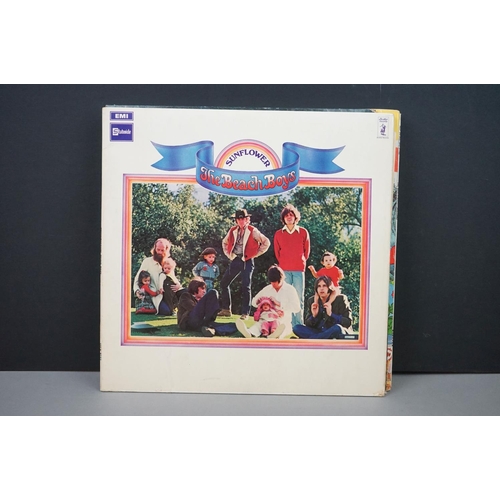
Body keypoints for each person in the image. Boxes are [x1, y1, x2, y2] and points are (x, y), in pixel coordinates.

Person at [219, 209, 270, 320]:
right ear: (236, 220)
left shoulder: (253, 230)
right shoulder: (232, 230)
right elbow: (224, 242)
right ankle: (226, 309)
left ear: (247, 219)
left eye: (243, 219)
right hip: (237, 259)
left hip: (248, 260)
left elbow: (266, 242)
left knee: (246, 286)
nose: (241, 221)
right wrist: (229, 255)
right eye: (239, 219)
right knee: (224, 283)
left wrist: (255, 254)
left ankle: (245, 313)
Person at [236, 265, 299, 339]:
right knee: (259, 325)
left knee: (284, 327)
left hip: (282, 321)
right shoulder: (267, 289)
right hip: (266, 320)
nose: (273, 284)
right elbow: (253, 302)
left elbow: (297, 308)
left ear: (281, 279)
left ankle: (276, 335)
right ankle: (249, 333)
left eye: (275, 282)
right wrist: (258, 302)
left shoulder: (290, 289)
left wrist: (279, 304)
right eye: (272, 282)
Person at [273, 204, 310, 327]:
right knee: (285, 297)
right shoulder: (278, 234)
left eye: (291, 215)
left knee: (299, 297)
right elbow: (277, 252)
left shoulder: (303, 232)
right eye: (286, 215)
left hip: (299, 269)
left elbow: (306, 251)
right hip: (284, 270)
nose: (289, 217)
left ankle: (298, 324)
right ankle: (286, 325)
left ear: (295, 217)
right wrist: (284, 263)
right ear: (283, 218)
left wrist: (301, 261)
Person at [292, 276, 355, 340]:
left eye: (324, 286)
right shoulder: (312, 301)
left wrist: (331, 314)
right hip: (319, 331)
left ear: (329, 287)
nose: (321, 288)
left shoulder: (340, 299)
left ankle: (311, 339)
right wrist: (314, 316)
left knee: (337, 328)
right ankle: (321, 338)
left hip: (334, 331)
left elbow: (348, 322)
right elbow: (308, 324)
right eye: (319, 286)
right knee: (296, 328)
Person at [133, 238, 176, 316]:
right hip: (155, 295)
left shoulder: (168, 262)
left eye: (162, 250)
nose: (159, 252)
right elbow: (137, 279)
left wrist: (178, 286)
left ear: (166, 250)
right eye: (158, 249)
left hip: (169, 294)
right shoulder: (147, 261)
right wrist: (137, 291)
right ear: (154, 248)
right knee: (166, 311)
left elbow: (173, 278)